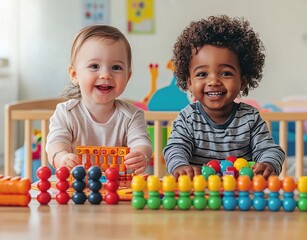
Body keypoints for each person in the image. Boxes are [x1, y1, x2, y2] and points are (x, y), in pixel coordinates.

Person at [163, 15, 285, 180]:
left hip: (241, 195)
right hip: (200, 194)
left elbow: (269, 150)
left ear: (242, 81)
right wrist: (180, 166)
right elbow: (175, 148)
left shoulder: (250, 118)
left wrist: (268, 164)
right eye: (202, 74)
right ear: (190, 83)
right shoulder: (188, 118)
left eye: (226, 73)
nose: (213, 81)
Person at [46, 25, 152, 174]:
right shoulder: (66, 113)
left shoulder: (132, 116)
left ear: (127, 77)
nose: (106, 75)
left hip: (117, 188)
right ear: (74, 75)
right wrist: (62, 157)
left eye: (116, 67)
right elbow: (56, 142)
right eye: (94, 66)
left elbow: (141, 141)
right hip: (78, 186)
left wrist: (142, 155)